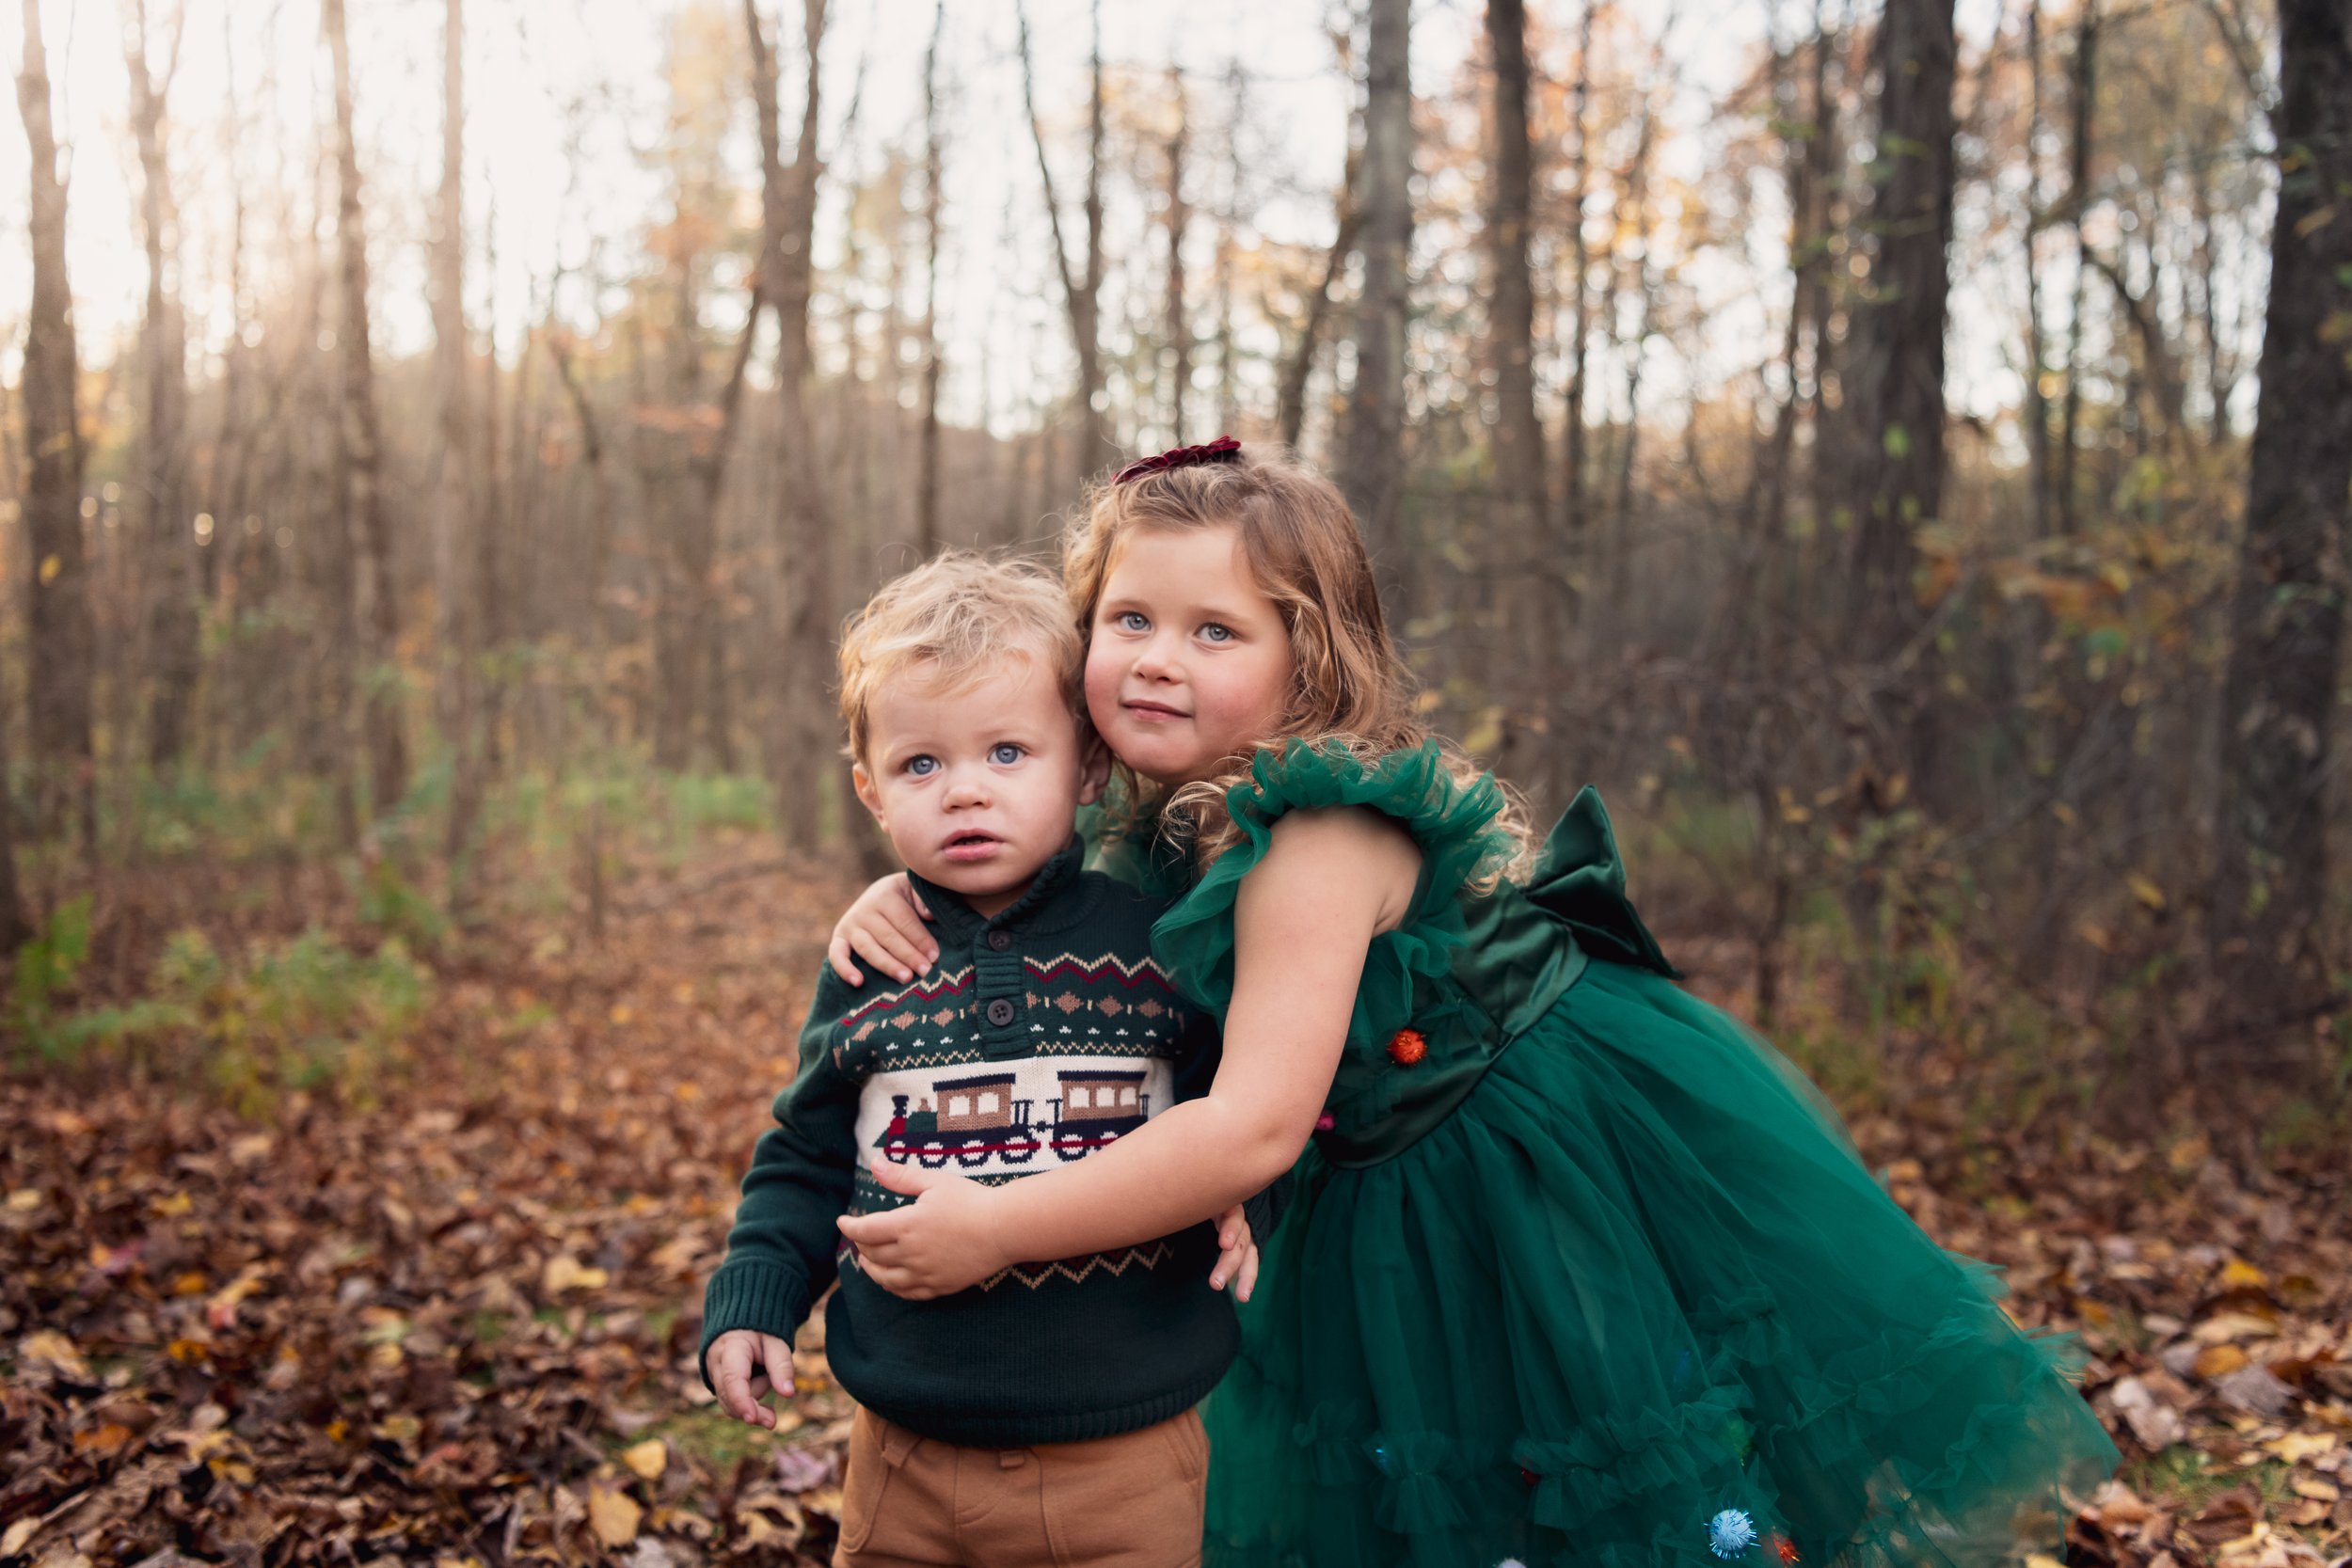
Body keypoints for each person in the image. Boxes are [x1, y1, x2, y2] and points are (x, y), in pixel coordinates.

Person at [828, 442, 2120, 1568]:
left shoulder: (1315, 836)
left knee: (1570, 1467)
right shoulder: (1149, 820)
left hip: (1514, 1164)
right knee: (1395, 1481)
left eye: (1216, 631)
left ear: (1306, 663)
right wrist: (908, 898)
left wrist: (999, 1227)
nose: (1159, 660)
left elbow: (1252, 1127)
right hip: (1359, 1174)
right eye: (1130, 618)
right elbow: (1041, 906)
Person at [698, 552, 1268, 1568]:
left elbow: (1242, 1108)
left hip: (1124, 1458)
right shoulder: (874, 963)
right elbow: (806, 1154)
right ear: (872, 791)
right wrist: (756, 1298)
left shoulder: (1158, 943)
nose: (965, 791)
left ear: (1086, 768)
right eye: (921, 765)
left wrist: (1246, 1196)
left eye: (1008, 752)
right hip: (906, 1457)